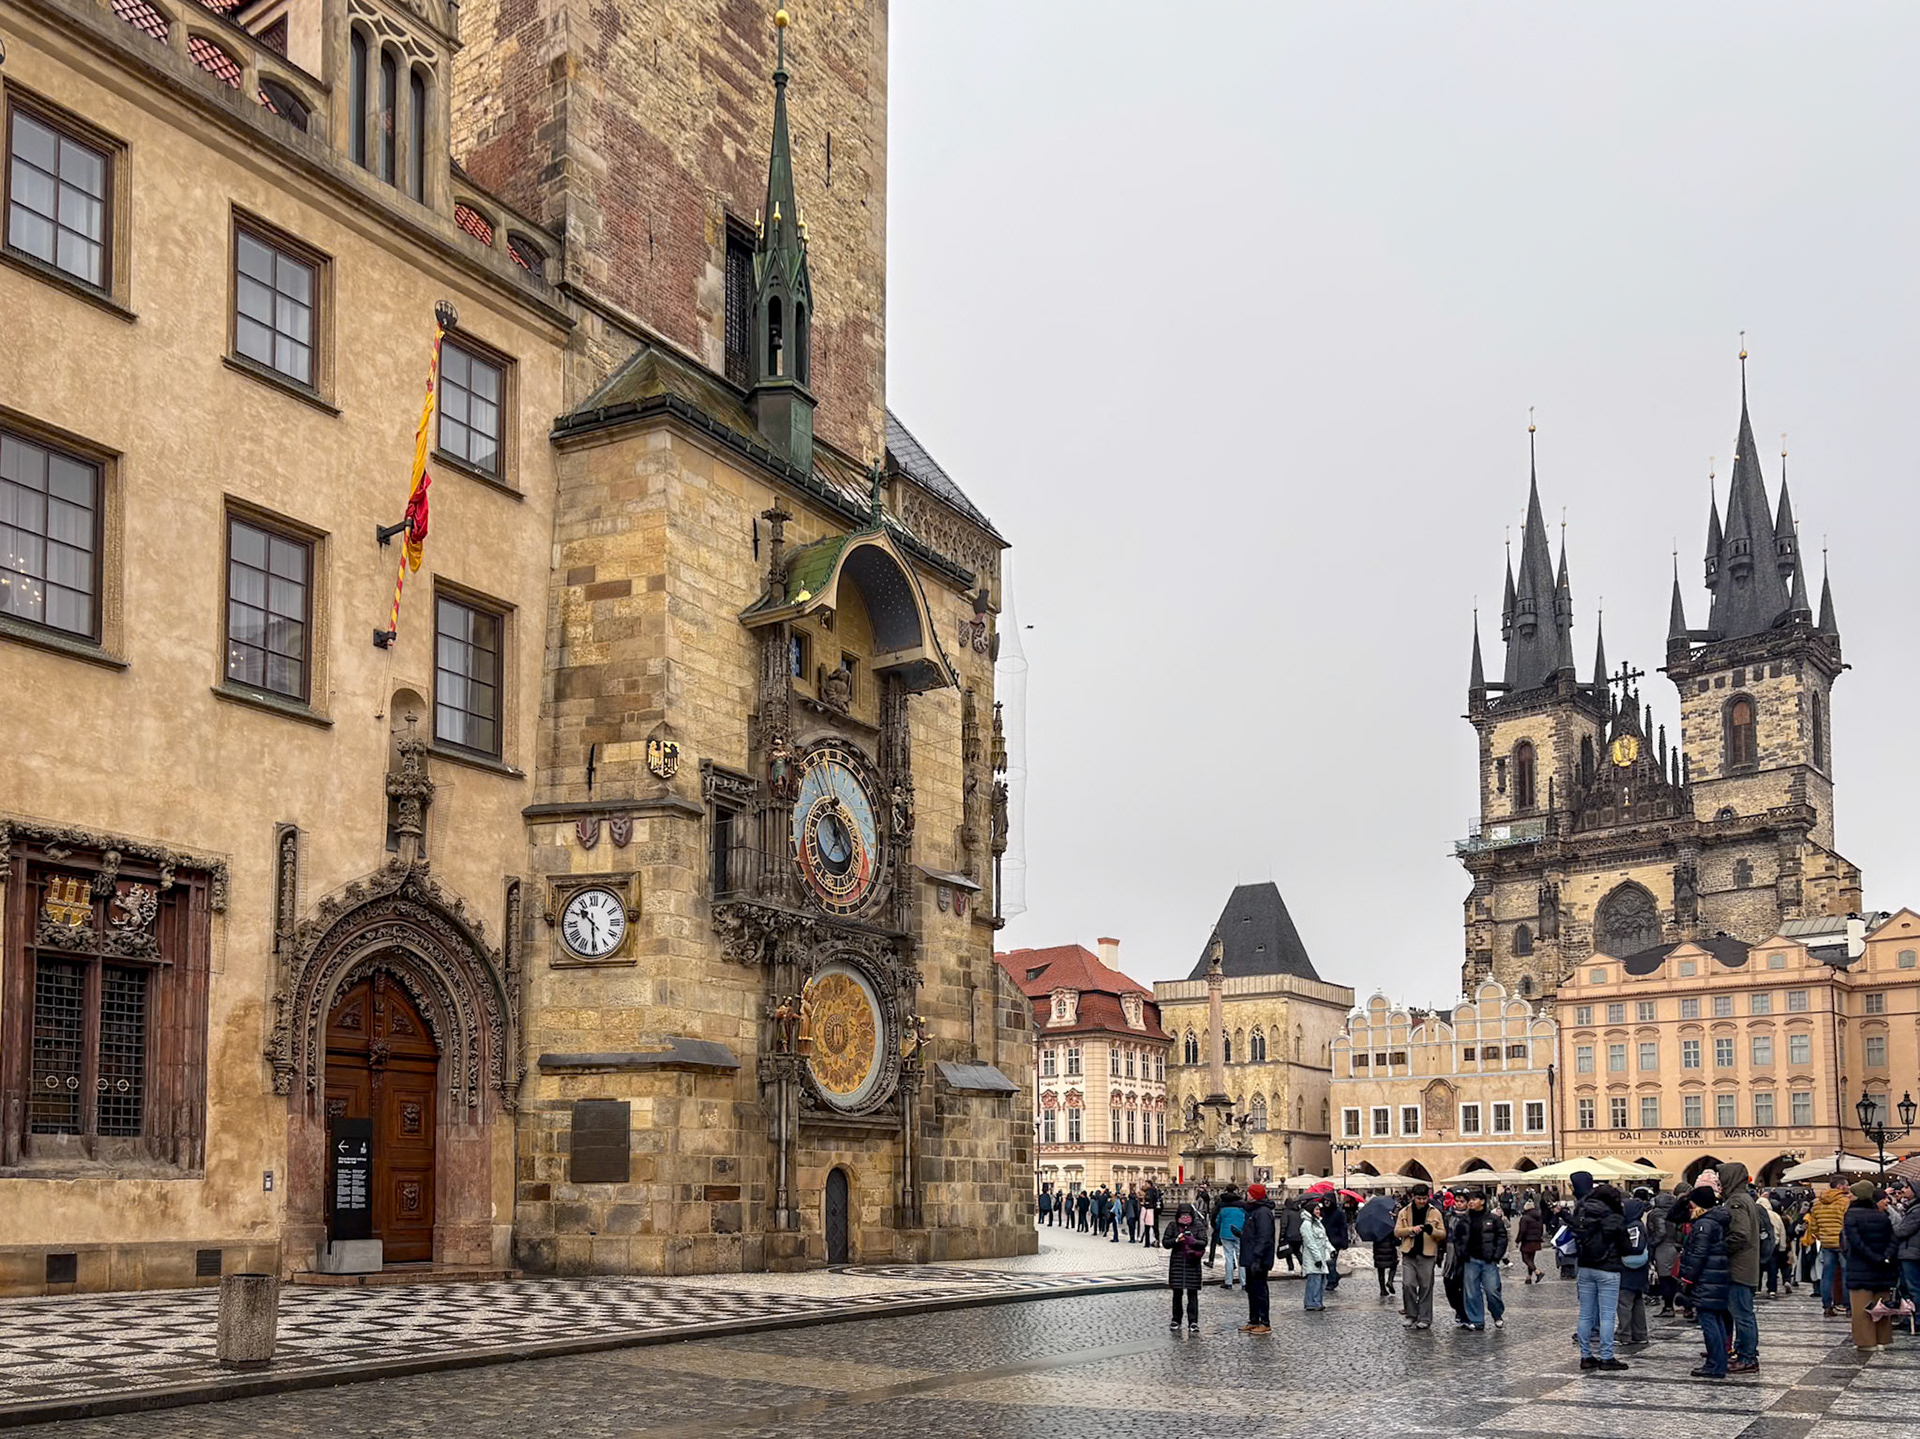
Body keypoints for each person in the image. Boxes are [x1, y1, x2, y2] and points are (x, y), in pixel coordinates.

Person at [1571, 1172, 1629, 1372]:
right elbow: (1627, 1246)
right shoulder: (1614, 1217)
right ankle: (1607, 1357)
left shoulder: (1582, 1212)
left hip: (1585, 1267)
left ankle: (1586, 1356)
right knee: (1606, 1315)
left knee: (1585, 1314)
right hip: (1608, 1269)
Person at [1680, 1182, 1734, 1380]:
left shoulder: (1704, 1224)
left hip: (1707, 1279)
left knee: (1709, 1321)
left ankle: (1715, 1365)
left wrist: (1687, 1277)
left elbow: (1698, 1254)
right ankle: (1718, 1361)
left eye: (1692, 1203)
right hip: (1717, 1277)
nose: (1690, 1207)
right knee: (1716, 1320)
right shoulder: (1716, 1220)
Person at [1841, 1180, 1899, 1351]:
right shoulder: (1882, 1215)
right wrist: (1885, 1257)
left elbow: (1855, 1242)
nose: (1849, 1195)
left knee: (1862, 1308)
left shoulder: (1851, 1215)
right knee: (1881, 1306)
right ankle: (1883, 1339)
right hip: (1883, 1267)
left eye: (1851, 1193)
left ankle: (1866, 1342)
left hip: (1861, 1267)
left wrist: (1872, 1257)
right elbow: (1893, 1238)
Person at [1717, 1162, 1761, 1373]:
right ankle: (1744, 1352)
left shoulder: (1736, 1201)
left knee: (1742, 1314)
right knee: (1743, 1312)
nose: (1719, 1180)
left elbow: (1740, 1234)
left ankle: (1747, 1357)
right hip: (1745, 1266)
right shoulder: (1745, 1198)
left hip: (1739, 1267)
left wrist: (1720, 1249)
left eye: (1721, 1176)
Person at [1449, 1192, 1507, 1331]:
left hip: (1488, 1260)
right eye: (1470, 1200)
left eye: (1474, 1199)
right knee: (1471, 1292)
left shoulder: (1493, 1219)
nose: (1471, 1202)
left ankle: (1497, 1313)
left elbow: (1502, 1237)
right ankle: (1477, 1320)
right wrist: (1462, 1254)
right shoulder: (1464, 1220)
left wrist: (1496, 1256)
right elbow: (1458, 1238)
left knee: (1492, 1290)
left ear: (1482, 1201)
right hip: (1470, 1260)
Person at [1396, 1183, 1447, 1330]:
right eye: (1419, 1198)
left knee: (1426, 1287)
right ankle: (1411, 1315)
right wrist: (1410, 1230)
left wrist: (1432, 1231)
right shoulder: (1404, 1212)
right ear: (1413, 1197)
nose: (1422, 1201)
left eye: (1425, 1198)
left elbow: (1442, 1234)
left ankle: (1425, 1318)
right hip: (1409, 1253)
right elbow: (1397, 1232)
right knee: (1408, 1284)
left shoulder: (1435, 1212)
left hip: (1427, 1254)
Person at [1238, 1181, 1276, 1335]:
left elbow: (1264, 1237)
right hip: (1251, 1256)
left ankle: (1264, 1321)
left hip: (1258, 1259)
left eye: (1249, 1192)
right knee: (1251, 1290)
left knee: (1260, 1290)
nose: (1246, 1195)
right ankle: (1253, 1320)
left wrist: (1258, 1258)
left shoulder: (1262, 1212)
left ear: (1254, 1195)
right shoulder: (1255, 1211)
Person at [1616, 1188, 1653, 1346]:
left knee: (1624, 1303)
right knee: (1637, 1302)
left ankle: (1624, 1334)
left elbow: (1634, 1247)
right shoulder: (1639, 1224)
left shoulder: (1633, 1226)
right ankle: (1640, 1333)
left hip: (1629, 1270)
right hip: (1639, 1271)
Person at [1808, 1179, 1850, 1316]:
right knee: (1846, 1274)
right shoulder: (1844, 1202)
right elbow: (1848, 1222)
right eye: (1846, 1185)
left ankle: (1827, 1306)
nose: (1848, 1187)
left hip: (1826, 1243)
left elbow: (1813, 1226)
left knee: (1827, 1275)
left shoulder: (1817, 1203)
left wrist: (1822, 1236)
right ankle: (1848, 1306)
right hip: (1842, 1243)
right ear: (1840, 1186)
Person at [1164, 1202, 1206, 1334]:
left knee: (1192, 1294)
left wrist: (1192, 1241)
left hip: (1192, 1263)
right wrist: (1176, 1240)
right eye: (1183, 1215)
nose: (1185, 1217)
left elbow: (1204, 1242)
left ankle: (1193, 1321)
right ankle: (1176, 1319)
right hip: (1177, 1263)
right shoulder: (1173, 1225)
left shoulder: (1198, 1225)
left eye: (1187, 1215)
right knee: (1177, 1293)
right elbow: (1165, 1243)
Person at [1891, 1177, 1920, 1334]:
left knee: (1913, 1287)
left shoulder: (1917, 1210)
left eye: (1907, 1187)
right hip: (1911, 1252)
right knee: (1909, 1287)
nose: (1903, 1190)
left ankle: (1917, 1320)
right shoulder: (1912, 1208)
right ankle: (1910, 1318)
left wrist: (1894, 1225)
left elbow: (1902, 1231)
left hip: (1912, 1253)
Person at [1301, 1199, 1332, 1311]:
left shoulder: (1318, 1223)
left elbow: (1325, 1239)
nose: (1319, 1211)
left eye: (1319, 1209)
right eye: (1317, 1209)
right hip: (1312, 1258)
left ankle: (1317, 1301)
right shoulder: (1306, 1225)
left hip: (1321, 1256)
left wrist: (1331, 1249)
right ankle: (1311, 1302)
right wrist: (1317, 1258)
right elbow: (1310, 1243)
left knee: (1321, 1281)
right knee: (1314, 1281)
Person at [1215, 1188, 1247, 1292]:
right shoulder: (1241, 1207)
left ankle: (1228, 1282)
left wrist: (1218, 1230)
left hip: (1225, 1234)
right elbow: (1247, 1218)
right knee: (1241, 1257)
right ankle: (1244, 1282)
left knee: (1228, 1258)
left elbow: (1217, 1221)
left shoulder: (1223, 1208)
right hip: (1239, 1233)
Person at [1321, 1187, 1349, 1292]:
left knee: (1331, 1262)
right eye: (1325, 1201)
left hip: (1335, 1241)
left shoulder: (1339, 1213)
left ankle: (1332, 1282)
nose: (1327, 1203)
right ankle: (1334, 1277)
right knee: (1327, 1262)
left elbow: (1343, 1228)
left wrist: (1344, 1242)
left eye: (1329, 1201)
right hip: (1324, 1240)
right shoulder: (1322, 1211)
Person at [1517, 1202, 1544, 1284]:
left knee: (1525, 1259)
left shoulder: (1524, 1218)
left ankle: (1538, 1272)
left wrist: (1518, 1240)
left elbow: (1522, 1231)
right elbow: (1541, 1229)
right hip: (1536, 1240)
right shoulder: (1538, 1217)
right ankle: (1529, 1277)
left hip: (1527, 1241)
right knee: (1531, 1259)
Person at [1372, 1219, 1400, 1299]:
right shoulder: (1390, 1226)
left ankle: (1382, 1289)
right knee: (1393, 1266)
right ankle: (1390, 1280)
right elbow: (1397, 1241)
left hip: (1379, 1251)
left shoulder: (1374, 1227)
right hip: (1390, 1250)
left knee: (1380, 1271)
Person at [1141, 1181, 1161, 1247]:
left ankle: (1147, 1243)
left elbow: (1148, 1200)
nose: (1145, 1185)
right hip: (1155, 1210)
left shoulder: (1149, 1192)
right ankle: (1157, 1241)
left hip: (1150, 1210)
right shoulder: (1156, 1191)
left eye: (1146, 1184)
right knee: (1155, 1227)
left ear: (1149, 1184)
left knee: (1147, 1227)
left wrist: (1144, 1203)